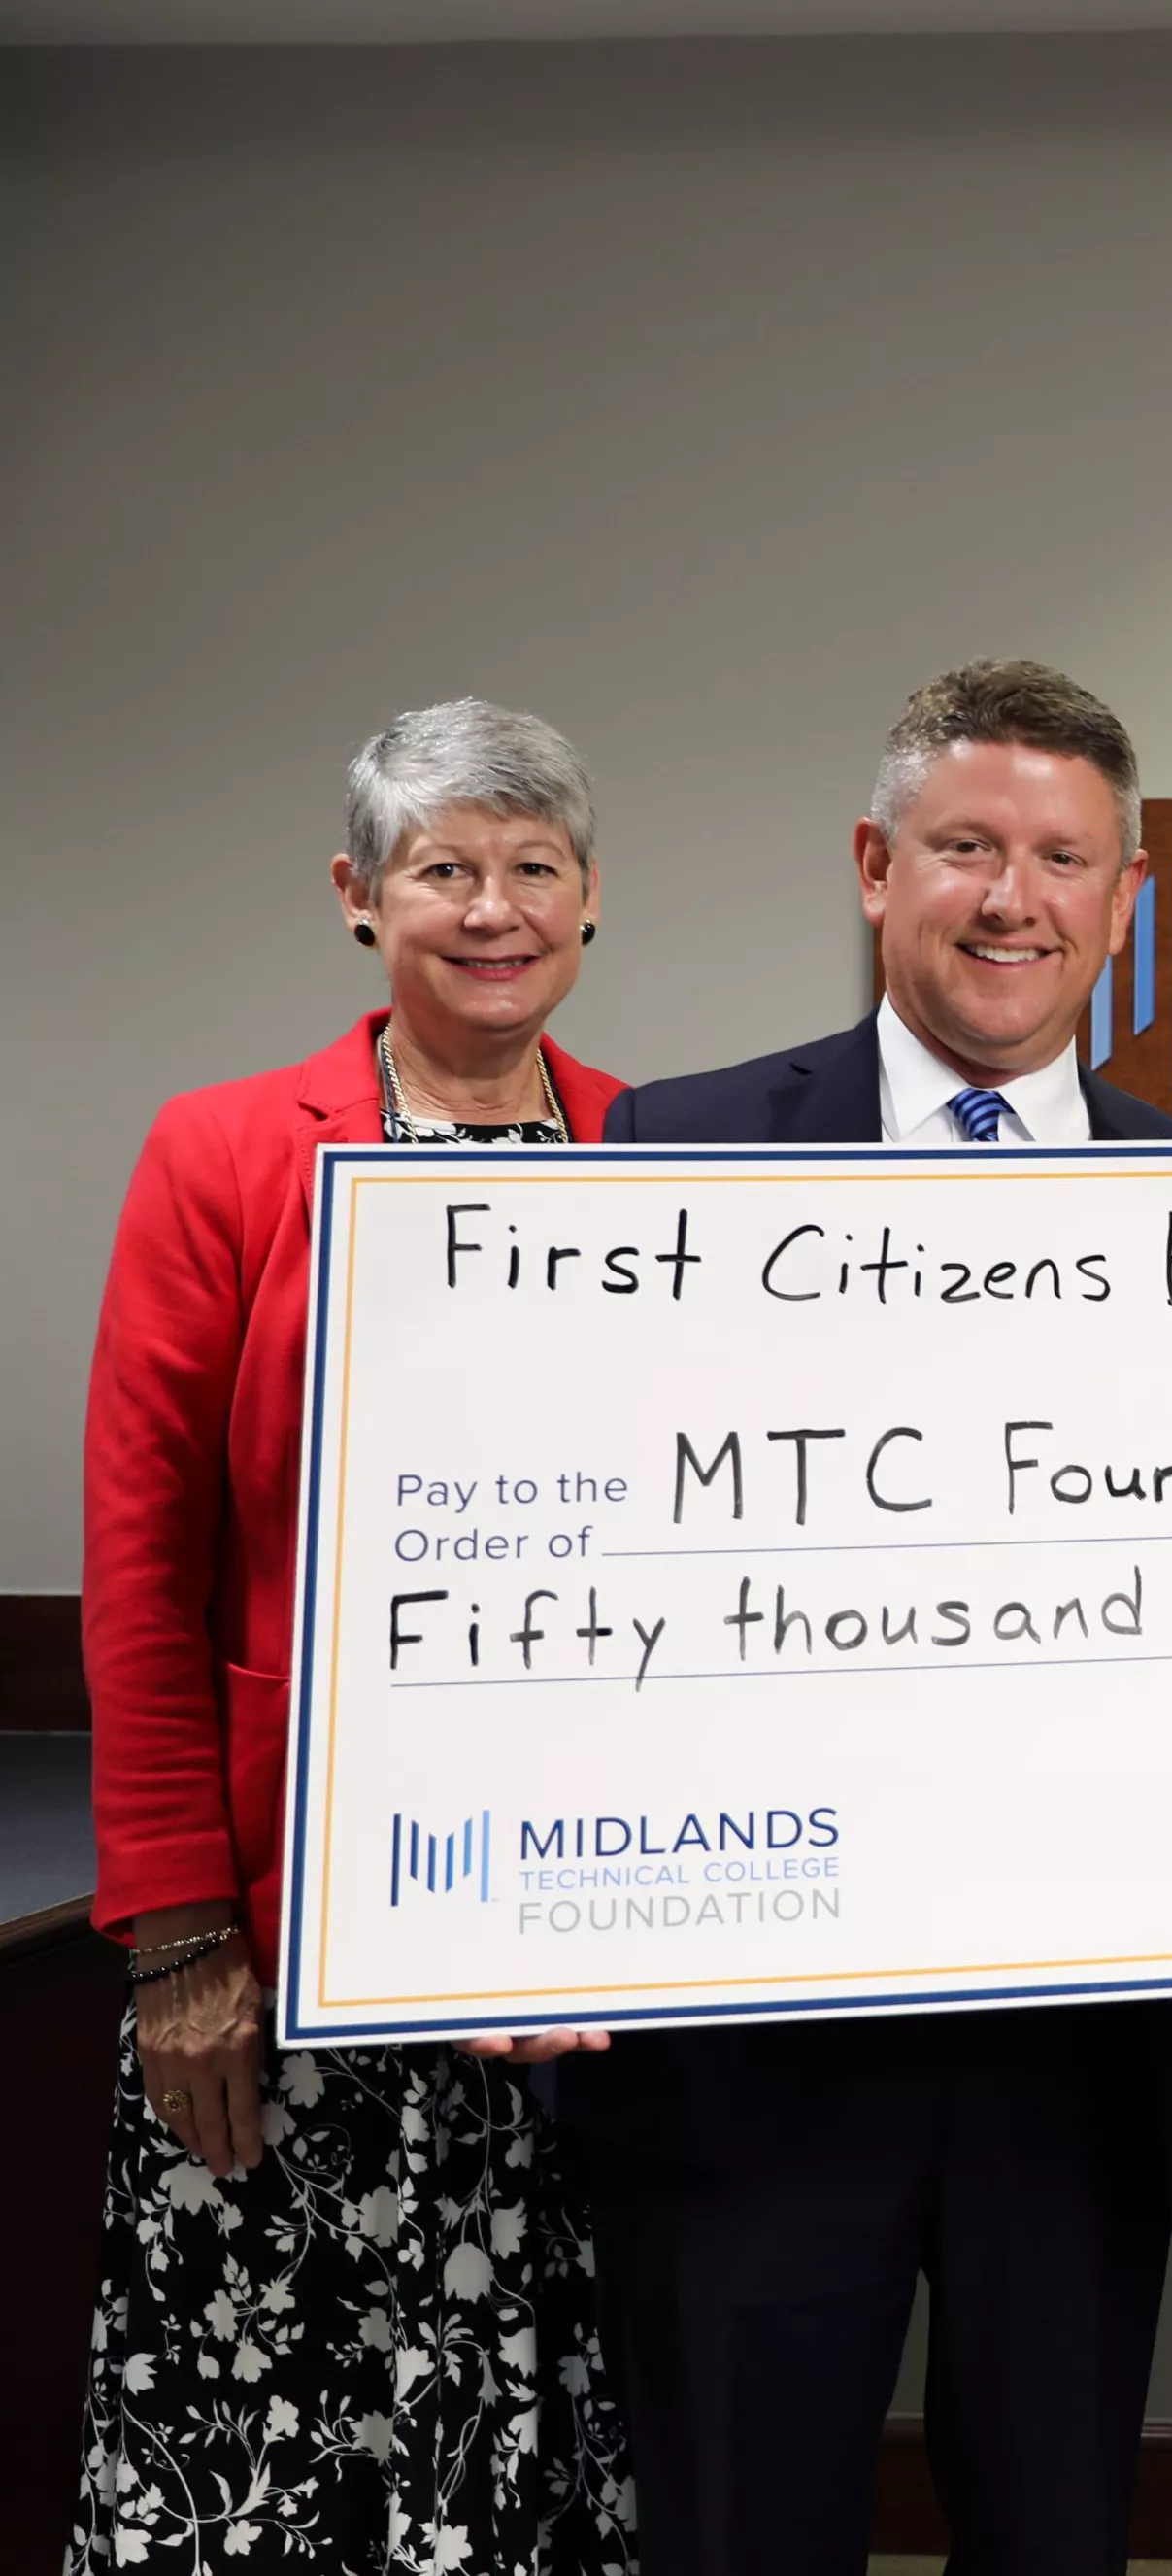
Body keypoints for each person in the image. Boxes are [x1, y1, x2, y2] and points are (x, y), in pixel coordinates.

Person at [567, 661, 1172, 2576]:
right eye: (968, 848)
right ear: (873, 866)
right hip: (742, 2041)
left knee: (1054, 2537)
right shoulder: (673, 1155)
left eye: (1063, 860)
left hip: (1077, 2060)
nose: (1013, 900)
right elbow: (570, 1582)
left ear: (1125, 900)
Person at [74, 700, 635, 2573]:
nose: (493, 909)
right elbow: (140, 1565)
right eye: (442, 867)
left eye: (533, 867)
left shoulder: (660, 1148)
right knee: (271, 2449)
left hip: (586, 1941)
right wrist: (180, 1936)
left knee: (545, 2430)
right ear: (357, 895)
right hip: (288, 1931)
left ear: (590, 897)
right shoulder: (227, 1151)